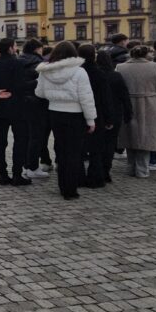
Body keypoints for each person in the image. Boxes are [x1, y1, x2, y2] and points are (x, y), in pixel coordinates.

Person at [34, 41, 97, 201]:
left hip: (55, 112)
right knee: (74, 152)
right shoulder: (79, 72)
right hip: (75, 114)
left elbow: (39, 93)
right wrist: (91, 119)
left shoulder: (45, 71)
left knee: (61, 150)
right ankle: (71, 189)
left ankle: (63, 185)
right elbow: (86, 98)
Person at [0, 38, 31, 186]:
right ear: (10, 48)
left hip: (0, 109)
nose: (16, 48)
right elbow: (21, 85)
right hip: (17, 108)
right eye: (15, 46)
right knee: (20, 141)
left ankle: (3, 174)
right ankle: (17, 174)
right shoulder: (18, 64)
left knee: (0, 142)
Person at [115, 45, 156, 179]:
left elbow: (117, 87)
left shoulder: (121, 67)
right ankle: (142, 169)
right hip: (150, 103)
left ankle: (131, 167)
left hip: (127, 103)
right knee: (146, 136)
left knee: (130, 134)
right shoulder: (154, 67)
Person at [78, 44, 114, 189]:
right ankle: (95, 178)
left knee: (79, 148)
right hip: (97, 113)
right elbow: (106, 98)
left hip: (77, 113)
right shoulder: (99, 73)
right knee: (96, 149)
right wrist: (109, 117)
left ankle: (78, 177)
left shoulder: (77, 72)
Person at [96, 51, 132, 182]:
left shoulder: (95, 75)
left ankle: (97, 168)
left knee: (98, 142)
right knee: (110, 143)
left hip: (98, 113)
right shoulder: (116, 76)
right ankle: (106, 170)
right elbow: (124, 96)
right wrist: (128, 112)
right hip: (115, 113)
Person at [19, 39, 52, 178]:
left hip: (22, 102)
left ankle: (26, 166)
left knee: (25, 136)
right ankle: (33, 167)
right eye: (41, 48)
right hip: (38, 103)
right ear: (36, 49)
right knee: (37, 136)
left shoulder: (18, 61)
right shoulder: (41, 64)